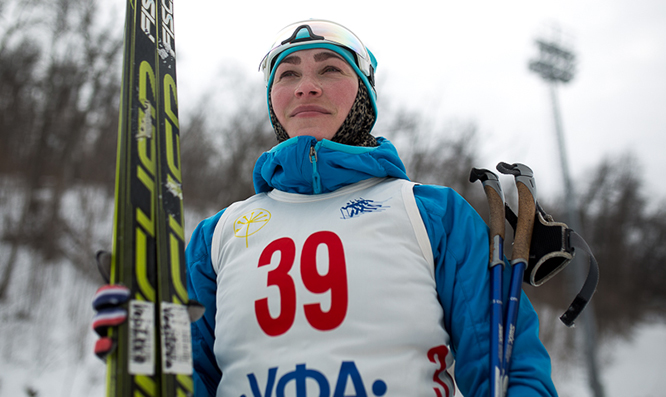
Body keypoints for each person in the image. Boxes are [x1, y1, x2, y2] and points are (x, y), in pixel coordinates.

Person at [185, 19, 558, 396]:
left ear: (364, 94)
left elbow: (514, 372)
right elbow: (184, 375)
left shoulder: (431, 214)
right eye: (287, 74)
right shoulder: (216, 236)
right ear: (272, 99)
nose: (305, 87)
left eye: (329, 68)